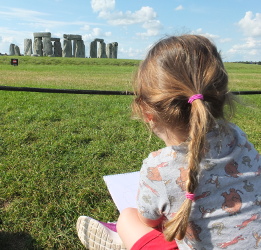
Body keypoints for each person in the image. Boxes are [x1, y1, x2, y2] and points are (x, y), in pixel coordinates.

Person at [76, 35, 261, 250]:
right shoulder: (239, 138)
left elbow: (149, 221)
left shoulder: (158, 168)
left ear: (147, 113)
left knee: (128, 218)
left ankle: (121, 240)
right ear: (221, 97)